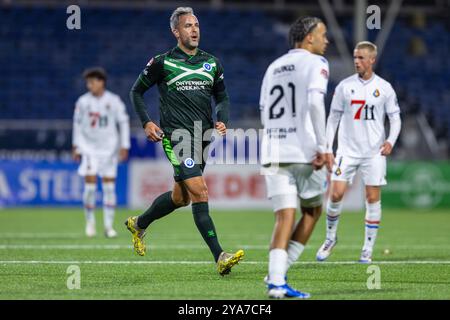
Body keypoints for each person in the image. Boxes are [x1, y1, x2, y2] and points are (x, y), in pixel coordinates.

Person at [125, 7, 244, 276]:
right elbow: (136, 91)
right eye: (188, 26)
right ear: (176, 32)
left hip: (203, 137)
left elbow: (222, 97)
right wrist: (147, 121)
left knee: (181, 198)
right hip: (177, 137)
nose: (194, 30)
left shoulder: (211, 63)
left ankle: (139, 223)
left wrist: (222, 117)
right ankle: (220, 256)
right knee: (200, 191)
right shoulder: (162, 62)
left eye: (196, 25)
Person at [260, 17, 329, 298]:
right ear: (309, 37)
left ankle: (276, 281)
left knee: (284, 216)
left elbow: (264, 110)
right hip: (304, 151)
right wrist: (323, 147)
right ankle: (278, 274)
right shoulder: (317, 64)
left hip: (273, 150)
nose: (327, 40)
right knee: (312, 211)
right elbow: (314, 102)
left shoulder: (273, 66)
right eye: (323, 34)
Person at [316, 41, 401, 263]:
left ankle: (367, 248)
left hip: (374, 152)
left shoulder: (384, 88)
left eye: (361, 58)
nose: (357, 61)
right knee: (335, 194)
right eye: (355, 57)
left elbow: (395, 118)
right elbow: (332, 118)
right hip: (347, 151)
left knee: (372, 198)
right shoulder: (344, 86)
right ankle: (330, 238)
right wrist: (328, 147)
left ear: (372, 59)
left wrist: (391, 140)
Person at [72, 67, 130, 238]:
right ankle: (90, 223)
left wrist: (124, 145)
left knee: (109, 188)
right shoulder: (82, 102)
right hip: (88, 148)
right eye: (88, 83)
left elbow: (124, 122)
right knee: (90, 188)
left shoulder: (114, 101)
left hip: (109, 149)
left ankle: (108, 227)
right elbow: (76, 124)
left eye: (92, 82)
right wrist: (76, 145)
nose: (89, 86)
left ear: (101, 82)